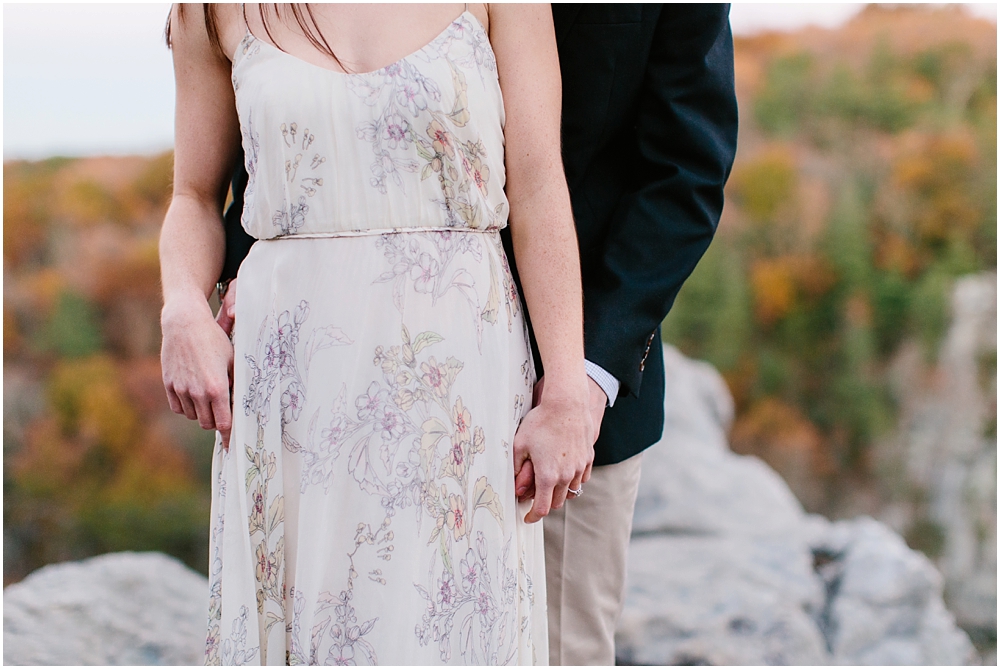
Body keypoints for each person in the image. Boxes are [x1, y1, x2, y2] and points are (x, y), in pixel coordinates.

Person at [220, 3, 738, 666]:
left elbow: (685, 173)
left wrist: (581, 382)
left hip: (565, 411)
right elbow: (301, 108)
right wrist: (249, 275)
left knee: (563, 652)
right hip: (361, 392)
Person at [159, 4, 597, 664]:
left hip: (455, 381)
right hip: (293, 388)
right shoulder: (212, 9)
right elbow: (192, 196)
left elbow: (539, 185)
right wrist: (183, 307)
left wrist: (565, 384)